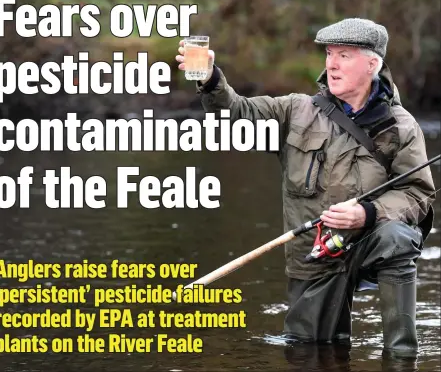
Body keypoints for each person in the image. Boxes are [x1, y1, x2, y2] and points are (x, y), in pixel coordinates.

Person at [175, 18, 436, 355]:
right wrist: (210, 80)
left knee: (398, 238)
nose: (332, 63)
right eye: (329, 53)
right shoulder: (295, 110)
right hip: (315, 256)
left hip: (369, 244)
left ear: (373, 63)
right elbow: (237, 113)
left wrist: (368, 213)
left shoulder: (402, 127)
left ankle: (402, 356)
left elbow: (418, 194)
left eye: (344, 55)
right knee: (309, 352)